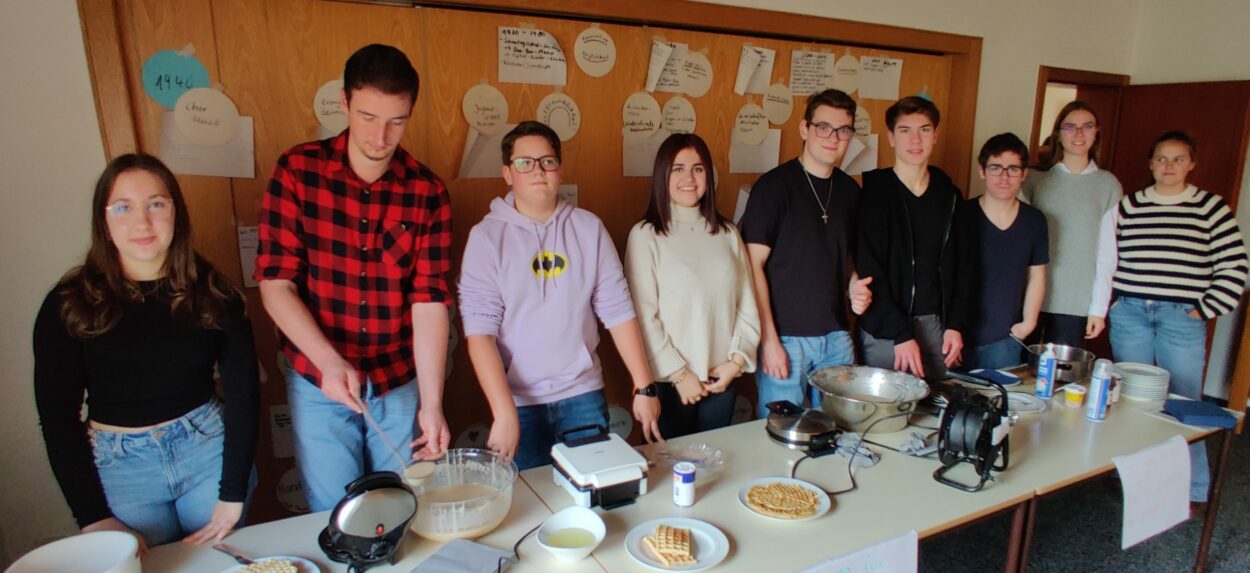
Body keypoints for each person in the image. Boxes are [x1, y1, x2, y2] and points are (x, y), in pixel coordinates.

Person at [255, 44, 451, 512]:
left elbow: (429, 302)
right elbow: (274, 284)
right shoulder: (297, 172)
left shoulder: (428, 191)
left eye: (396, 121)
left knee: (405, 507)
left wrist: (433, 401)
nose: (380, 136)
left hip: (398, 379)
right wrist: (328, 361)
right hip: (317, 379)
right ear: (343, 103)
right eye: (367, 116)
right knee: (336, 513)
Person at [33, 154, 259, 549]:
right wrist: (92, 517)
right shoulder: (67, 306)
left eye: (156, 204)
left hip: (208, 454)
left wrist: (233, 493)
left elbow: (244, 395)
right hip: (121, 470)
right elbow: (57, 419)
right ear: (104, 221)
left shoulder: (215, 294)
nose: (142, 223)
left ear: (176, 212)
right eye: (123, 208)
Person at [459, 121, 660, 470]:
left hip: (582, 395)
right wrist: (504, 412)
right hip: (519, 402)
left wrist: (644, 386)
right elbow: (480, 334)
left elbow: (617, 311)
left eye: (547, 161)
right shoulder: (486, 238)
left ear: (559, 169)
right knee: (532, 507)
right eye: (525, 163)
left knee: (589, 496)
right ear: (508, 173)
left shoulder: (588, 228)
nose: (538, 171)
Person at [1109, 131, 1248, 505]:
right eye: (1161, 159)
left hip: (1180, 317)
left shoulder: (1211, 208)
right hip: (1132, 312)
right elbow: (1107, 257)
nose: (1169, 166)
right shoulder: (1130, 206)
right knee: (1132, 402)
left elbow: (1235, 267)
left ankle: (1191, 488)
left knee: (1184, 400)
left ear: (1192, 163)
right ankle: (1135, 480)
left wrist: (1202, 309)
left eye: (1178, 159)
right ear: (1150, 163)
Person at [739, 88, 872, 419]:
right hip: (786, 338)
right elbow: (751, 266)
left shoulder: (849, 191)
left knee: (840, 431)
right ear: (805, 129)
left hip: (837, 338)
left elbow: (844, 256)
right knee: (783, 433)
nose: (833, 138)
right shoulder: (773, 188)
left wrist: (853, 285)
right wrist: (768, 341)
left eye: (843, 130)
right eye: (823, 127)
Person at [624, 133, 761, 438]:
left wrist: (735, 363)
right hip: (672, 385)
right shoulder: (646, 235)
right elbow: (643, 317)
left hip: (721, 379)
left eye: (698, 169)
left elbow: (747, 307)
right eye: (678, 169)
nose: (689, 177)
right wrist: (680, 374)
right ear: (663, 175)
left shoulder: (726, 233)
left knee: (715, 468)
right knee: (674, 473)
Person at [857, 96, 975, 382]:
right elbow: (868, 268)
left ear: (935, 135)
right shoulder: (873, 194)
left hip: (938, 326)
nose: (915, 139)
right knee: (886, 416)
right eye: (904, 130)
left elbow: (965, 268)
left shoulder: (950, 196)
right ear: (891, 137)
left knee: (935, 414)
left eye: (924, 129)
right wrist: (901, 333)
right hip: (886, 328)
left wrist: (956, 325)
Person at [1022, 101, 1122, 347]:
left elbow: (1107, 253)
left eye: (1087, 126)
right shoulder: (1035, 179)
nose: (1079, 134)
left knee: (1062, 379)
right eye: (1070, 127)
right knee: (1019, 372)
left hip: (1076, 300)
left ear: (1096, 132)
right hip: (1029, 295)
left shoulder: (1107, 185)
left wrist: (1098, 308)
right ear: (1058, 133)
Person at [962, 133, 1048, 371]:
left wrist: (1028, 324)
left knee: (1000, 402)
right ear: (982, 171)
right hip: (958, 335)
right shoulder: (962, 215)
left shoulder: (1034, 221)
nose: (1004, 177)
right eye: (996, 168)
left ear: (1024, 173)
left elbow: (1037, 276)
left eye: (1012, 169)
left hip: (1005, 337)